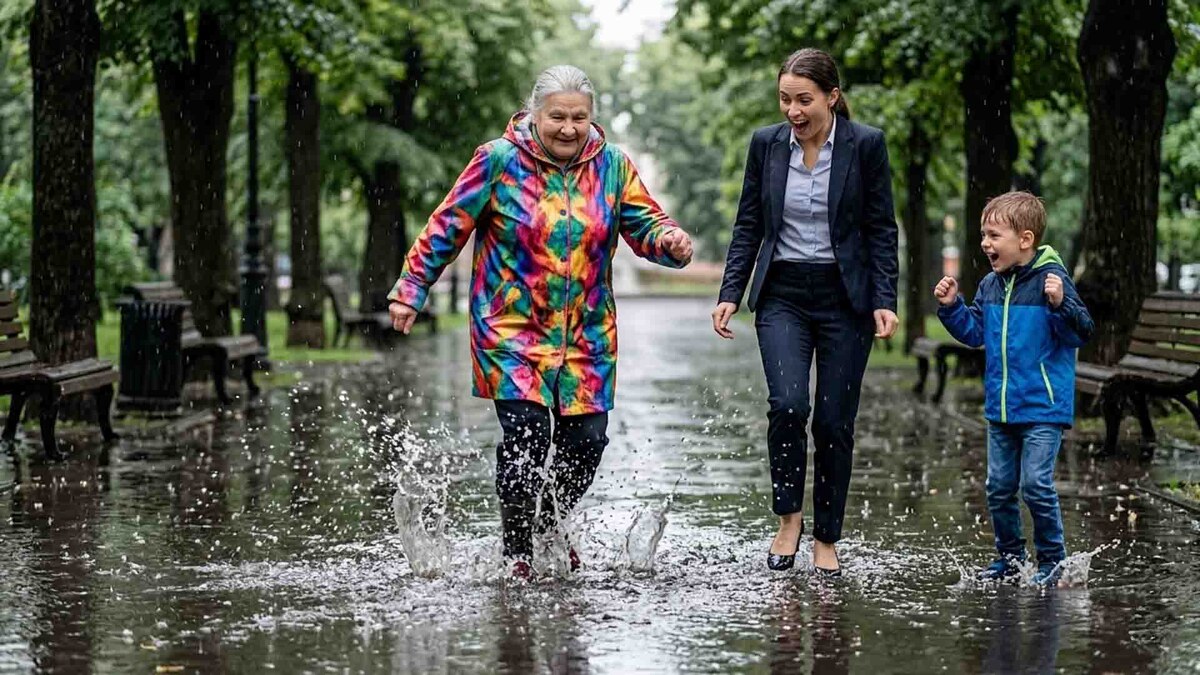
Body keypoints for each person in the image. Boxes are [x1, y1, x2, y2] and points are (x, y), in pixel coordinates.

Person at [388, 65, 693, 580]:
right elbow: (447, 226)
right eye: (557, 117)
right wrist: (412, 290)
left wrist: (669, 240)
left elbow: (644, 223)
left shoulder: (613, 166)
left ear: (592, 118)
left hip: (587, 334)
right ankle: (518, 552)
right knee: (526, 434)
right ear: (535, 115)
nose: (569, 128)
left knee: (588, 441)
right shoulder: (498, 161)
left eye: (579, 117)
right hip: (511, 328)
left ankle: (550, 523)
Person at [711, 48, 899, 576]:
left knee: (836, 422)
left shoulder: (866, 146)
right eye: (785, 99)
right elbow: (749, 223)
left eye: (804, 100)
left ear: (832, 97)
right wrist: (731, 290)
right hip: (784, 295)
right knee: (789, 405)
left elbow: (882, 230)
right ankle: (789, 517)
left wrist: (885, 299)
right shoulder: (766, 145)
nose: (793, 111)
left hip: (845, 299)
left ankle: (826, 537)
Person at [934, 191, 1094, 586]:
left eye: (993, 235)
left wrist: (1059, 305)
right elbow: (974, 334)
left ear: (1025, 239)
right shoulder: (990, 284)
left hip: (1043, 406)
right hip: (1002, 408)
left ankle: (1053, 561)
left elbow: (1080, 333)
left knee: (1036, 485)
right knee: (999, 487)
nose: (985, 243)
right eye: (983, 235)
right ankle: (1009, 559)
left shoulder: (1052, 281)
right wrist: (953, 306)